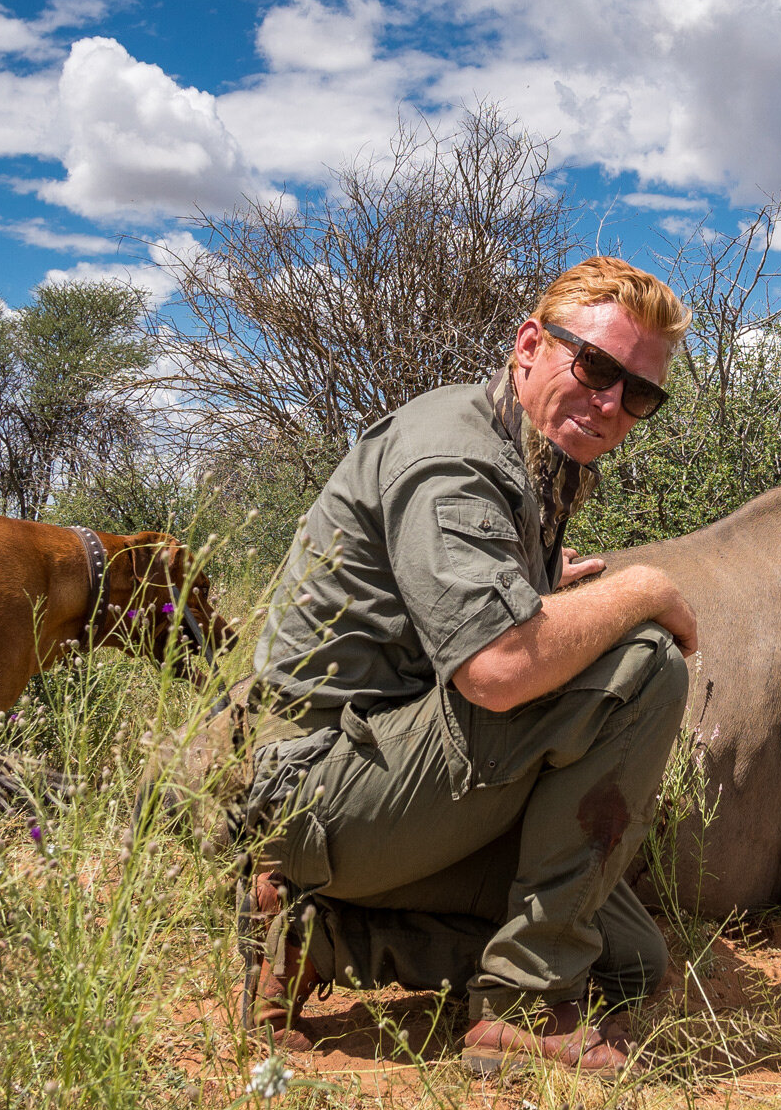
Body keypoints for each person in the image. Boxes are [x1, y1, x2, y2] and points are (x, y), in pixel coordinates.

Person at [235, 256, 699, 1077]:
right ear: (529, 344)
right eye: (595, 366)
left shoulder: (535, 455)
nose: (611, 403)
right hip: (313, 787)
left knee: (631, 960)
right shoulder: (453, 455)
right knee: (646, 662)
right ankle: (521, 1006)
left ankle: (318, 937)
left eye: (640, 394)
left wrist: (545, 584)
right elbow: (497, 670)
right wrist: (645, 587)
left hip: (389, 776)